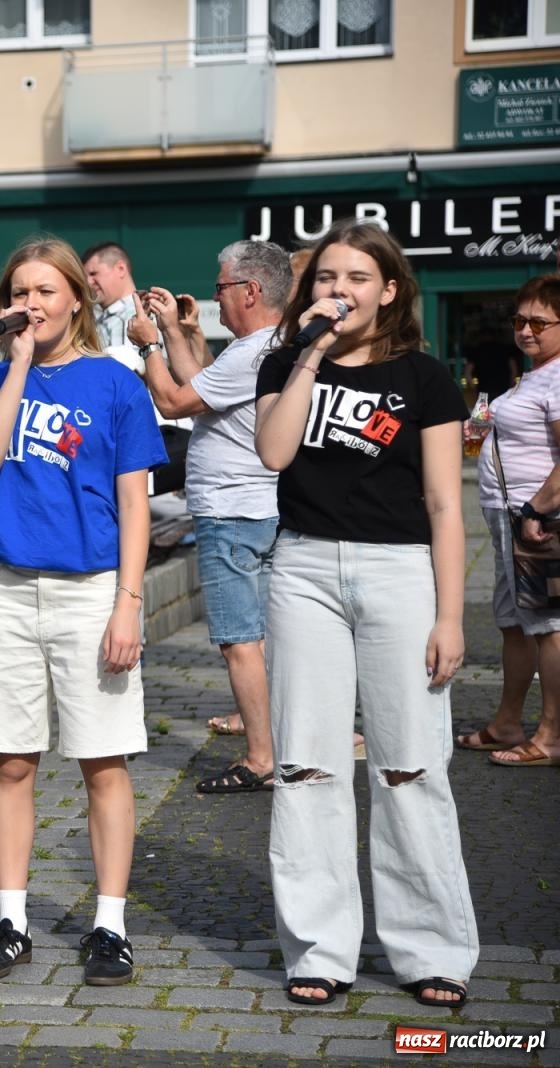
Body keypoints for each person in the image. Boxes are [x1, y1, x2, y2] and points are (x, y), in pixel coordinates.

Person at [254, 221, 476, 1009]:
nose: (338, 290)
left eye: (355, 277)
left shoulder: (425, 378)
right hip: (305, 569)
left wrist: (451, 617)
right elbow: (274, 454)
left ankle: (432, 951)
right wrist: (310, 353)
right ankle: (319, 949)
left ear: (389, 289)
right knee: (307, 765)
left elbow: (446, 505)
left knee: (410, 764)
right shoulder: (286, 361)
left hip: (399, 573)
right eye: (325, 278)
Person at [0, 237, 166, 987]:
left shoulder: (116, 384)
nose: (32, 304)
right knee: (11, 760)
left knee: (103, 761)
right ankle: (11, 919)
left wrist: (128, 605)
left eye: (46, 291)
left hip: (91, 591)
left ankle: (110, 925)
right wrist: (16, 363)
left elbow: (135, 505)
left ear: (77, 298)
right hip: (9, 589)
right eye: (20, 292)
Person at [130, 240, 289, 794]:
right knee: (261, 637)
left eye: (220, 286)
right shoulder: (270, 347)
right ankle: (278, 740)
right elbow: (200, 387)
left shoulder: (252, 354)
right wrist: (173, 331)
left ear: (251, 290)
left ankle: (261, 759)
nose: (214, 296)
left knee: (239, 640)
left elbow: (173, 402)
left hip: (231, 512)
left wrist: (149, 345)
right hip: (260, 508)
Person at [462, 274, 560, 767]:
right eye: (519, 320)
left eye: (539, 323)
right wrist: (477, 423)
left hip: (536, 517)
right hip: (507, 515)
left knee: (547, 624)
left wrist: (537, 509)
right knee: (514, 624)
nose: (525, 330)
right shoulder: (531, 375)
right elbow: (481, 433)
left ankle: (551, 736)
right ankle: (507, 722)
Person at [83, 242, 140, 355]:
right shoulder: (91, 317)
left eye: (93, 273)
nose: (88, 282)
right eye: (85, 277)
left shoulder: (144, 315)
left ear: (121, 269)